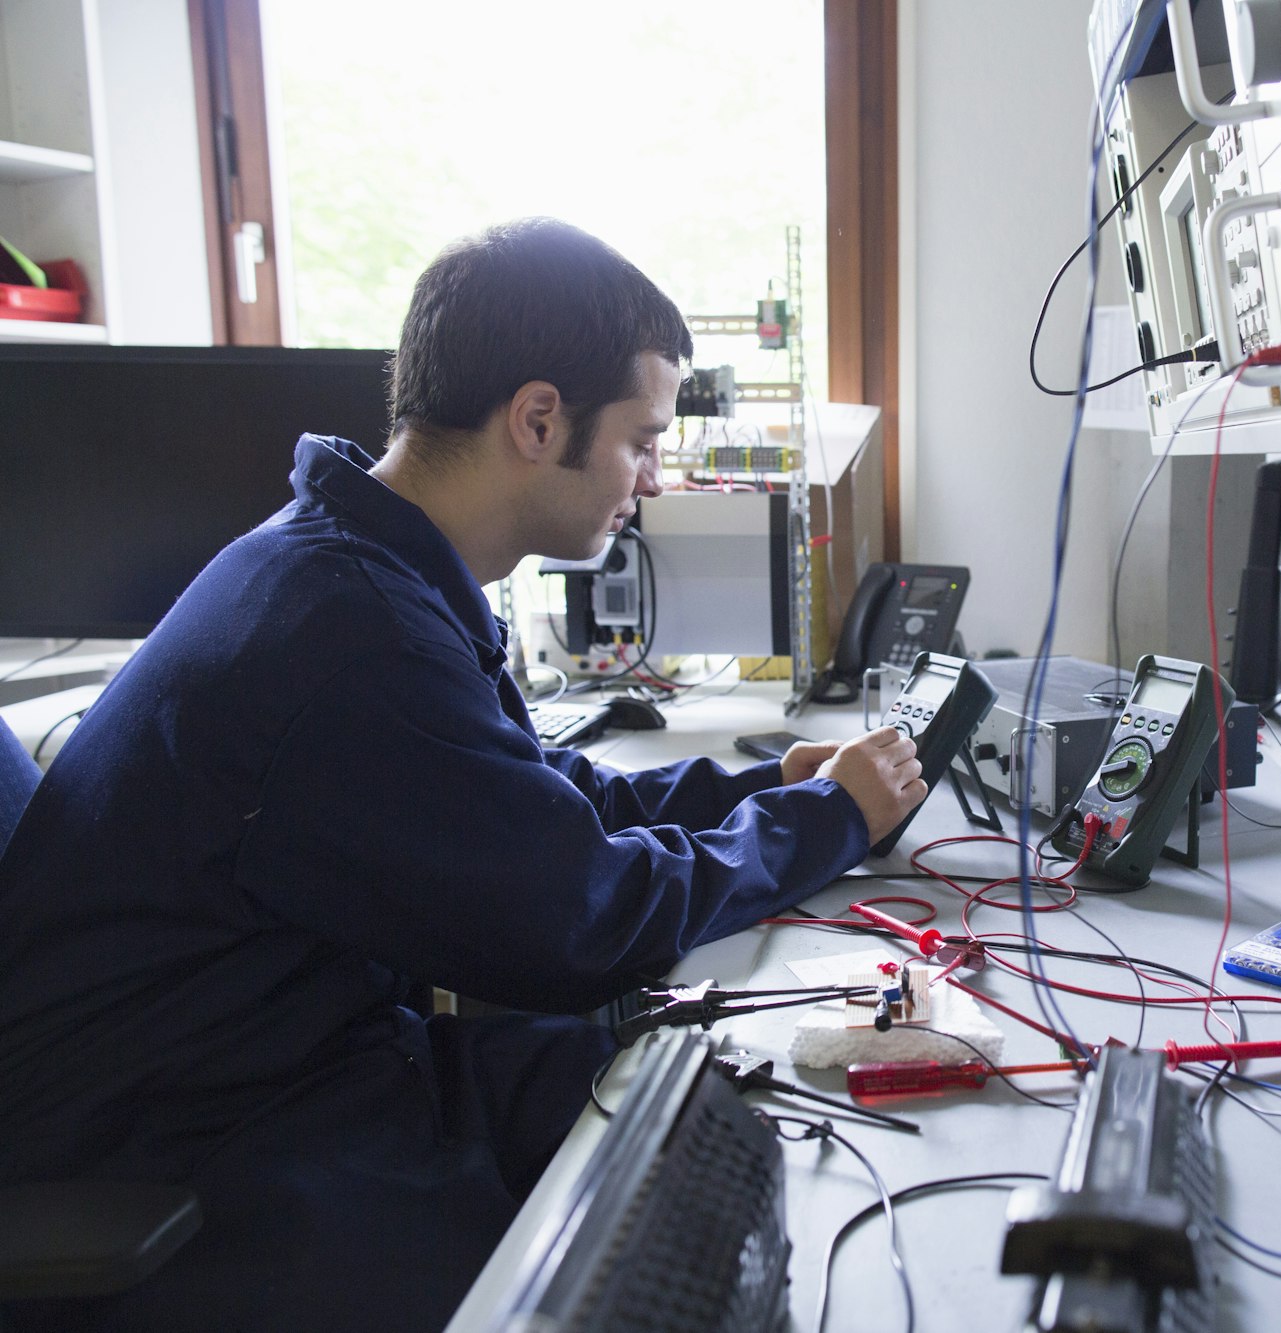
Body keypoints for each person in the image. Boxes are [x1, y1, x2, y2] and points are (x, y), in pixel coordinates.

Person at [0, 218, 926, 1331]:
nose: (650, 476)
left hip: (286, 1061)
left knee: (689, 1096)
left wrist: (766, 784)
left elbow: (535, 799)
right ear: (538, 419)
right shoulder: (349, 632)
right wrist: (823, 821)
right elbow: (580, 921)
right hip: (177, 1145)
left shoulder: (359, 563)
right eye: (640, 439)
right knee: (676, 1194)